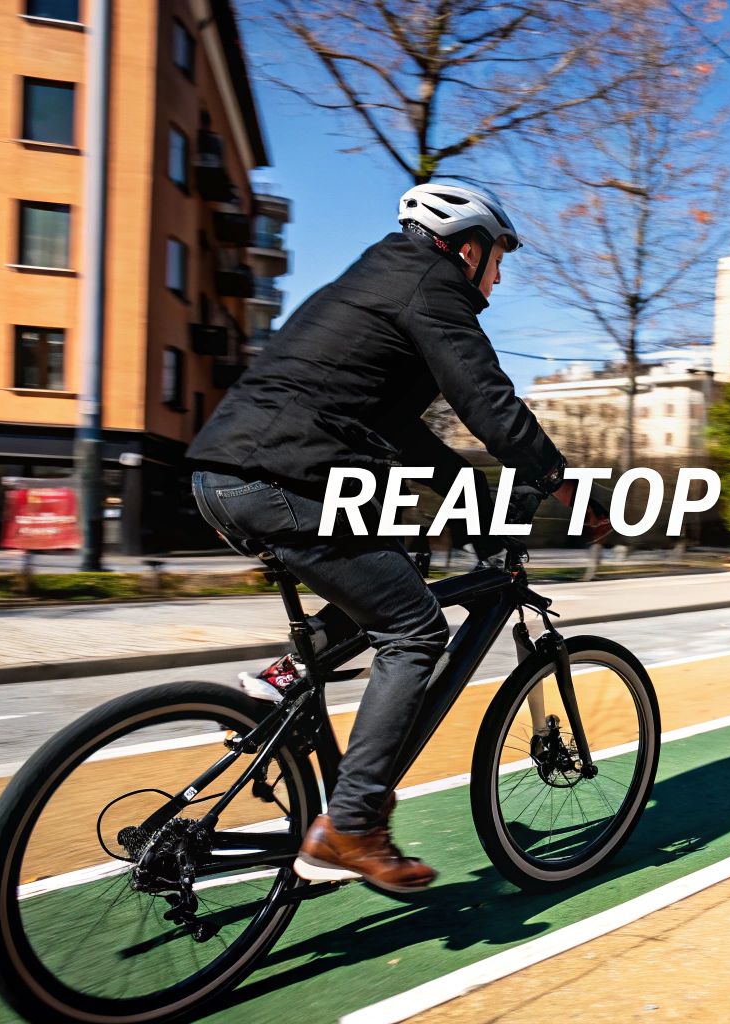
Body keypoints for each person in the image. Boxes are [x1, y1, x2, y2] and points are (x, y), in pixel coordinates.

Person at [188, 182, 610, 893]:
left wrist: (472, 493)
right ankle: (350, 826)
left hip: (228, 475)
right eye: (499, 258)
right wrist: (562, 481)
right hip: (281, 478)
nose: (499, 277)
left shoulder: (378, 279)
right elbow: (488, 400)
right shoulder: (431, 286)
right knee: (415, 629)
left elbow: (399, 431)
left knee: (394, 568)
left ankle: (291, 673)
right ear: (468, 247)